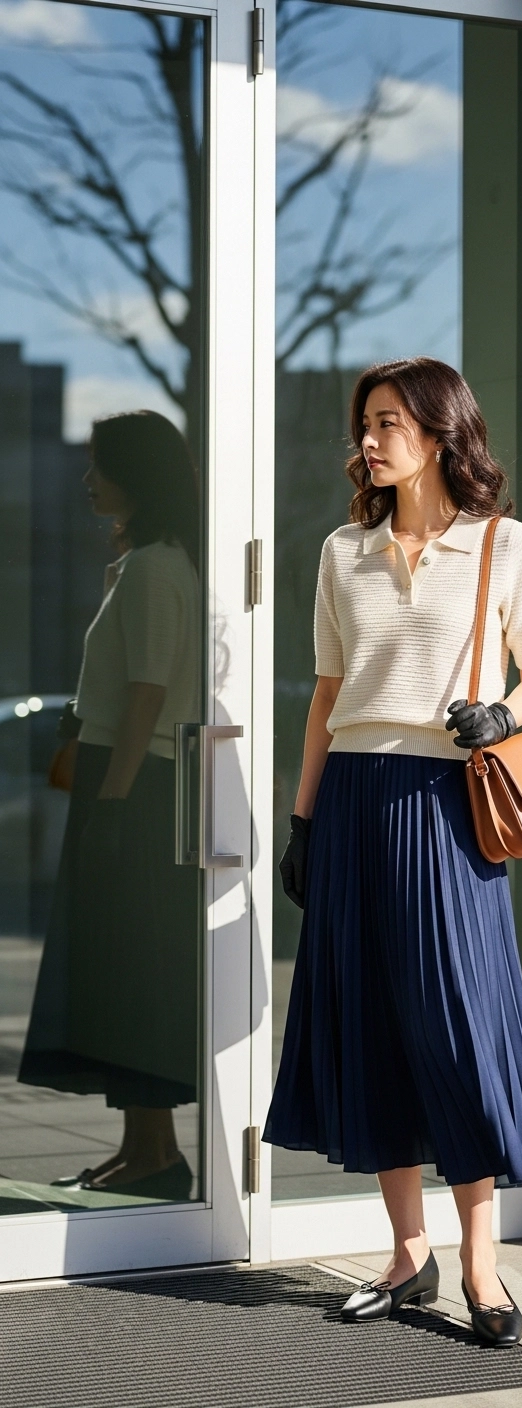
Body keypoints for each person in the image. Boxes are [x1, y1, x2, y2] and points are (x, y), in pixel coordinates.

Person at [265, 357, 522, 1347]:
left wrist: (501, 713)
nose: (368, 438)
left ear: (440, 432)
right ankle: (408, 1257)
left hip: (447, 800)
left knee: (459, 1030)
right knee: (371, 1026)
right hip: (354, 797)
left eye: (389, 421)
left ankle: (482, 1267)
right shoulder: (341, 552)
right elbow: (325, 694)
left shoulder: (501, 543)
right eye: (364, 423)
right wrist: (305, 821)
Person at [19, 409, 200, 1202]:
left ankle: (156, 1153)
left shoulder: (159, 566)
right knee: (119, 976)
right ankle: (143, 1149)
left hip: (141, 783)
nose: (88, 479)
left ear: (136, 471)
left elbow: (150, 692)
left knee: (134, 975)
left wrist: (116, 806)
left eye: (100, 464)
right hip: (123, 776)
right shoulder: (138, 564)